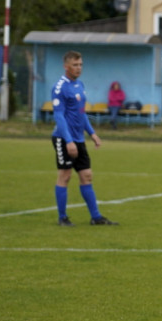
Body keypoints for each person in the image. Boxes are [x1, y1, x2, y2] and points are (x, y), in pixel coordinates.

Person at [51, 51, 117, 226]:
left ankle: (96, 218)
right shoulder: (60, 87)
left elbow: (81, 113)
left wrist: (92, 133)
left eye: (80, 64)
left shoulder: (79, 85)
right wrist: (69, 141)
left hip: (78, 138)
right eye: (75, 65)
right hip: (63, 138)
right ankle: (62, 218)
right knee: (65, 176)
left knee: (86, 175)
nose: (79, 68)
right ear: (66, 66)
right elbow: (59, 116)